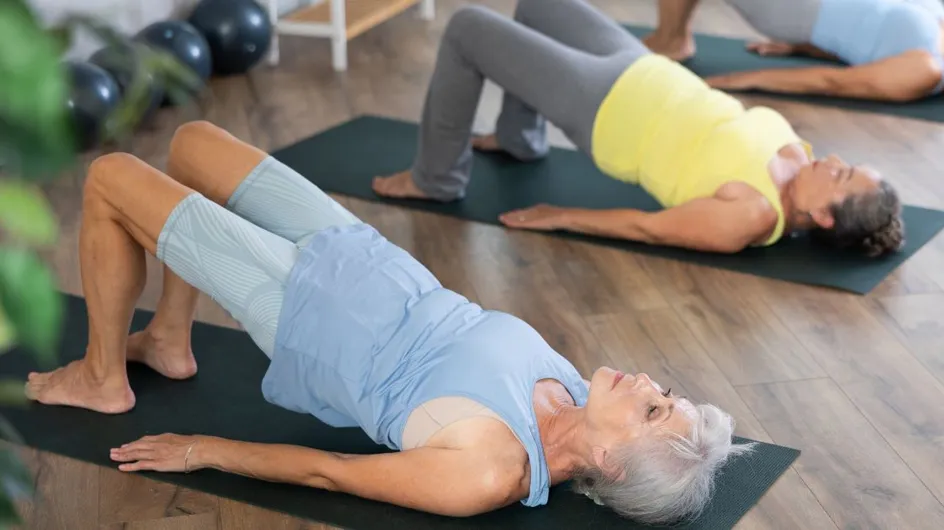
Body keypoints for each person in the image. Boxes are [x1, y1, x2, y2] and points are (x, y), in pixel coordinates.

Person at [24, 120, 752, 524]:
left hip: (305, 311)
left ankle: (101, 377)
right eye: (665, 391)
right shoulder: (569, 390)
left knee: (110, 175)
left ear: (612, 465)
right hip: (361, 256)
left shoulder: (489, 472)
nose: (650, 381)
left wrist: (203, 450)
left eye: (653, 407)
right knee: (191, 143)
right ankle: (170, 340)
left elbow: (331, 471)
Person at [372, 0, 906, 257]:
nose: (835, 162)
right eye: (848, 165)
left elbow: (648, 227)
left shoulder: (751, 214)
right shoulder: (801, 156)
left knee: (467, 26)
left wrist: (561, 216)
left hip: (604, 109)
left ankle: (435, 177)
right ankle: (519, 138)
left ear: (820, 217)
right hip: (644, 69)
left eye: (842, 178)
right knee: (538, 3)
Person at [644, 0, 944, 102]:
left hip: (803, 12)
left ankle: (671, 40)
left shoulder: (927, 70)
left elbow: (835, 82)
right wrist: (800, 48)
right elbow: (873, 32)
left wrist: (743, 79)